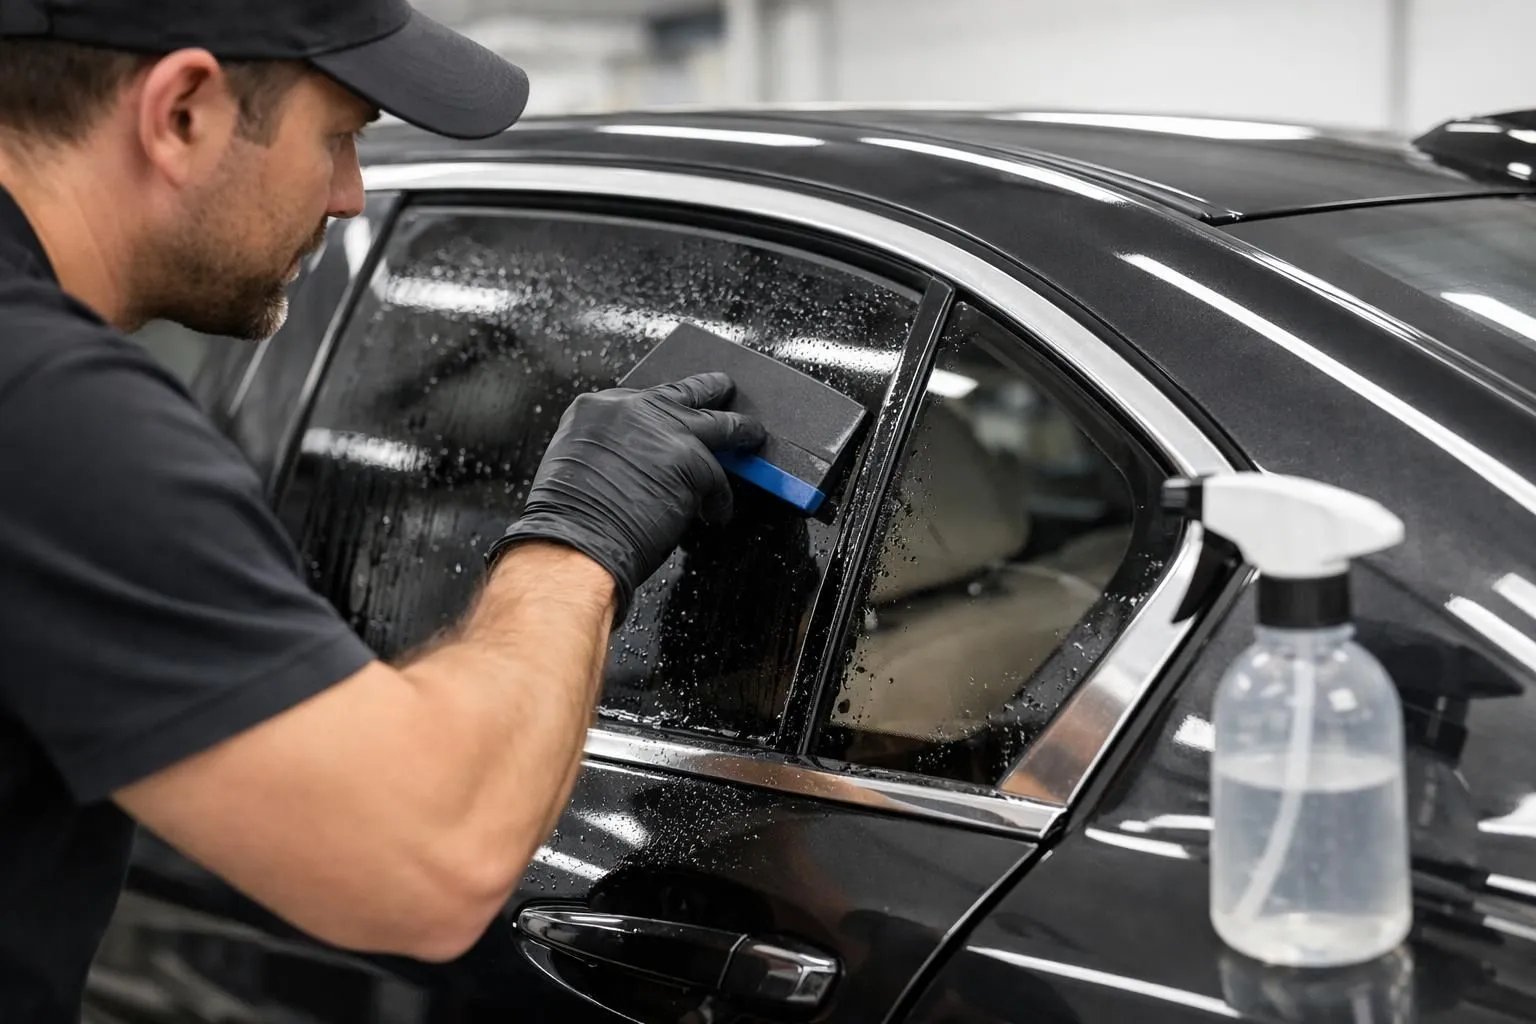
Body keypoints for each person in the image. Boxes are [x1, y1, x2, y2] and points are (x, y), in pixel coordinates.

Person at [0, 0, 766, 1018]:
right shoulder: (44, 406)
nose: (352, 194)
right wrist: (580, 532)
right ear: (182, 111)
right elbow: (431, 858)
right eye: (342, 134)